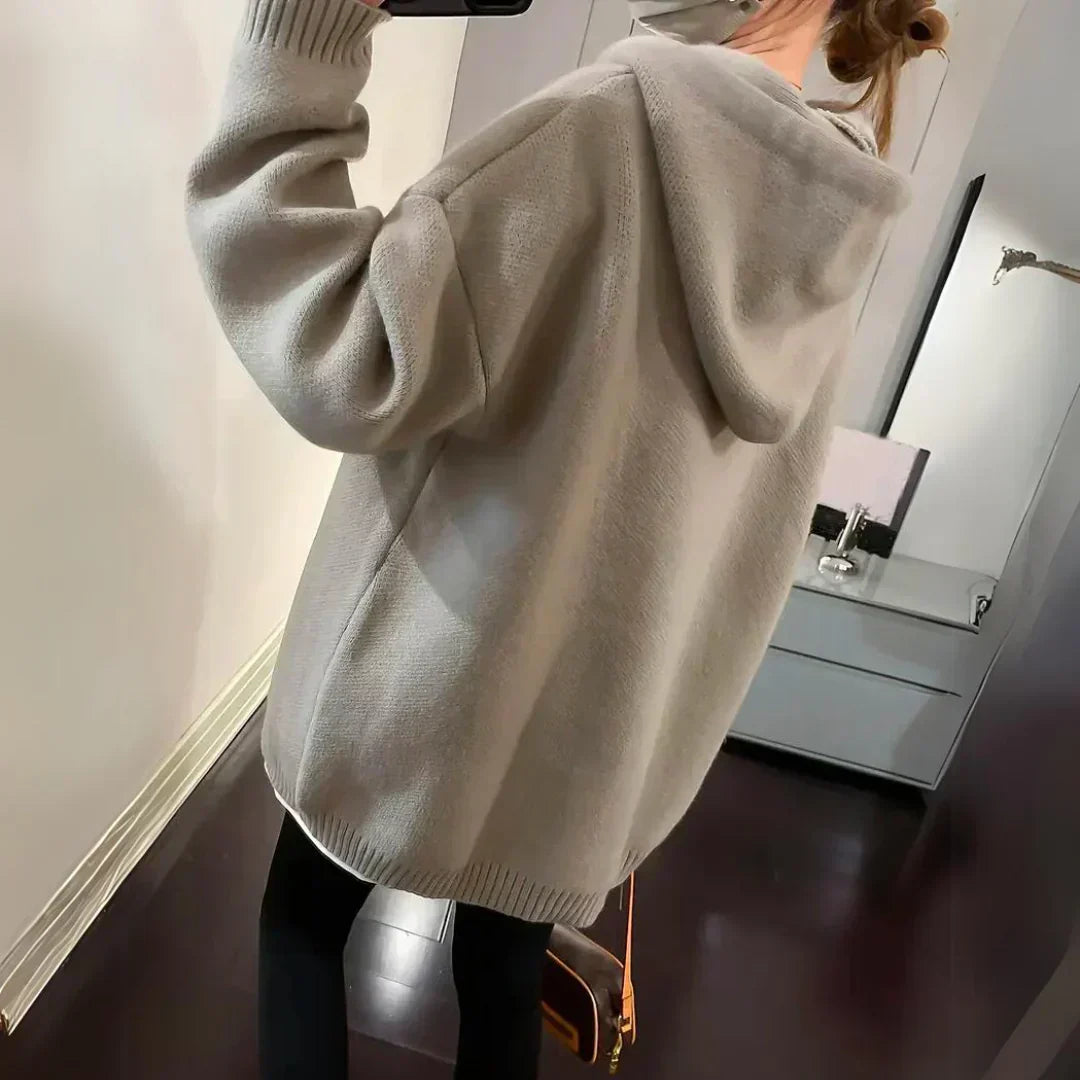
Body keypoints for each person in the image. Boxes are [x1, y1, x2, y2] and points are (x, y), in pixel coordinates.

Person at [186, 0, 948, 1076]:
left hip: (425, 681)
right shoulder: (828, 211)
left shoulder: (600, 123)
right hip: (595, 739)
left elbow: (346, 350)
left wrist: (300, 38)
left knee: (301, 927)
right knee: (503, 973)